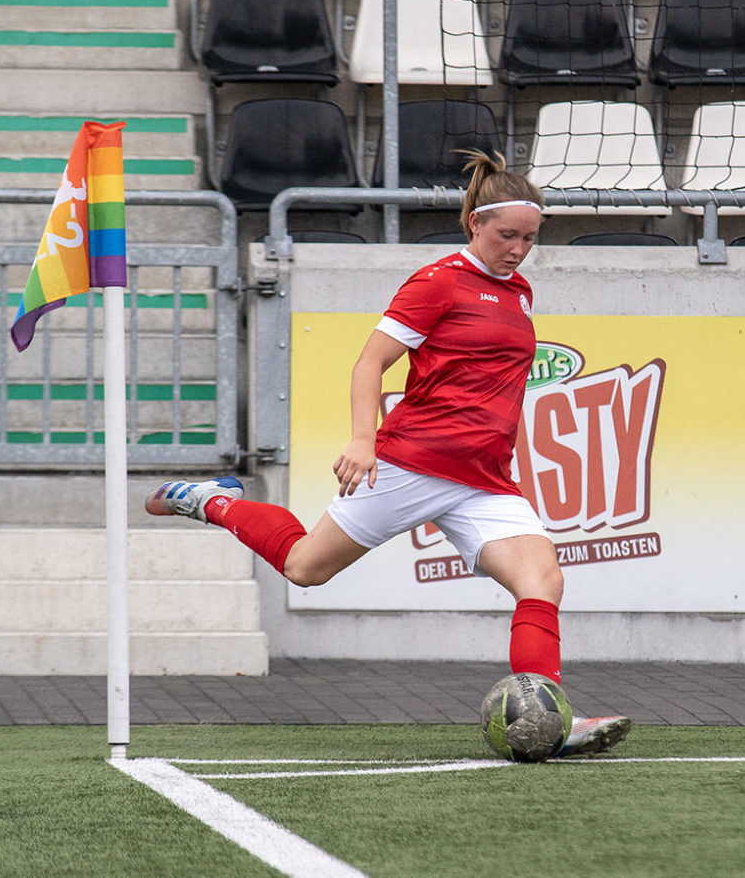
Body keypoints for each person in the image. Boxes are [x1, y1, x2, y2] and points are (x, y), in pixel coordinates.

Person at [146, 150, 630, 757]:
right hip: (412, 462)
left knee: (542, 580)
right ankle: (214, 501)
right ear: (474, 222)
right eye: (507, 235)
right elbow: (370, 362)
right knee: (305, 567)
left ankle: (551, 717)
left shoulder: (521, 293)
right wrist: (362, 438)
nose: (518, 249)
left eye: (530, 238)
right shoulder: (436, 282)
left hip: (485, 479)